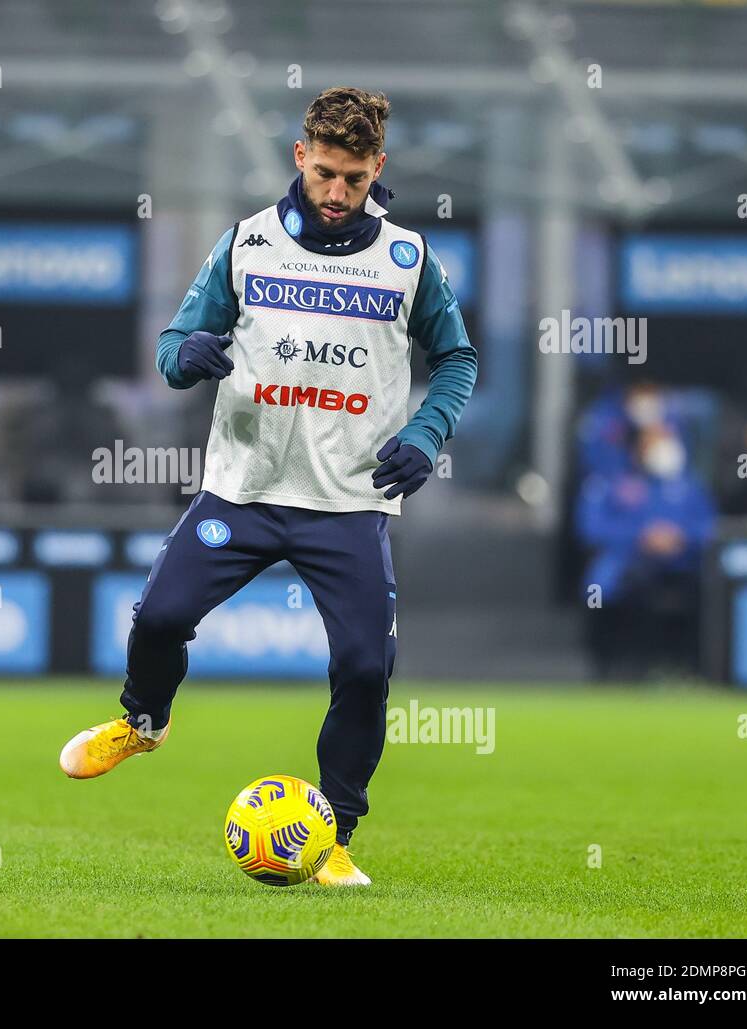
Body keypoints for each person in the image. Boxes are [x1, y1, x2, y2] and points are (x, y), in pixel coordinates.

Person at [57, 87, 477, 886]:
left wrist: (426, 434)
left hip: (348, 501)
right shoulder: (247, 242)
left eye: (353, 179)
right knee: (160, 615)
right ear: (299, 157)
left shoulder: (407, 258)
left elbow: (457, 358)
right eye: (324, 173)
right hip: (242, 488)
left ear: (377, 169)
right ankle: (144, 721)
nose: (335, 193)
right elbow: (174, 341)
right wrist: (188, 358)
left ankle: (335, 834)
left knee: (363, 668)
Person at [576, 423, 715, 678]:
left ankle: (688, 666)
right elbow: (592, 529)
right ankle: (614, 666)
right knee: (608, 586)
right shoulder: (610, 484)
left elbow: (710, 528)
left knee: (704, 590)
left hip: (682, 565)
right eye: (654, 442)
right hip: (629, 563)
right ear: (636, 449)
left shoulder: (691, 487)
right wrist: (641, 537)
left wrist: (680, 538)